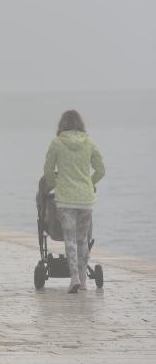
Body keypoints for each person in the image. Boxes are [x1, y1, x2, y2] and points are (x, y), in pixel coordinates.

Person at [43, 110, 105, 293]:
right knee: (82, 240)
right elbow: (101, 170)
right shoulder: (90, 143)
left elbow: (47, 170)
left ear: (62, 124)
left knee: (69, 239)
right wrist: (89, 183)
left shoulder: (57, 143)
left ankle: (75, 278)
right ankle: (84, 282)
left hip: (65, 200)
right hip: (85, 199)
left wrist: (57, 184)